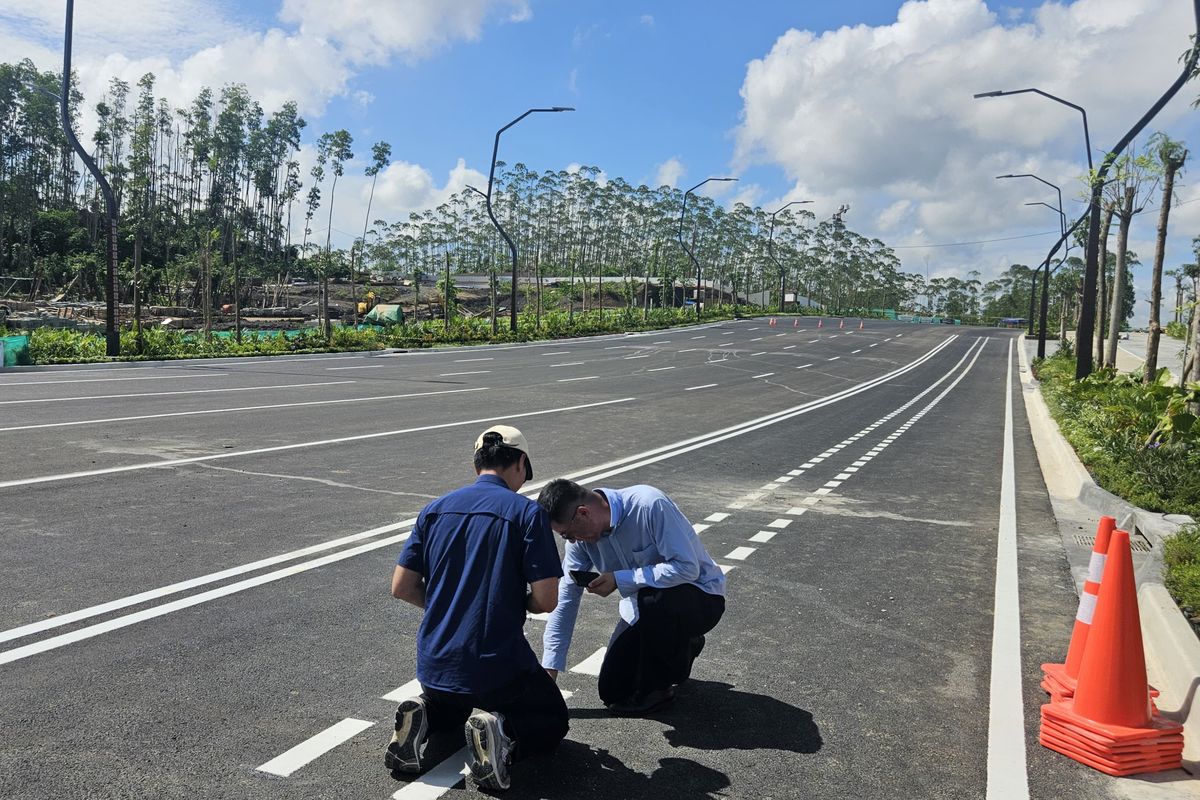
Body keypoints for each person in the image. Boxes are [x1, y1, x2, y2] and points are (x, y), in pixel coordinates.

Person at [386, 425, 567, 791]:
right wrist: (516, 604)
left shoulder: (434, 510)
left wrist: (444, 605)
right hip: (496, 663)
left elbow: (401, 587)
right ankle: (503, 734)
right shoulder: (526, 514)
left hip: (435, 663)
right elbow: (547, 600)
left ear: (476, 464)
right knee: (551, 718)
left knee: (452, 707)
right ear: (520, 462)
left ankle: (424, 713)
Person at [537, 479, 726, 715]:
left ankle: (660, 689)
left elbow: (687, 568)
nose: (571, 541)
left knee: (654, 600)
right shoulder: (581, 539)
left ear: (583, 513)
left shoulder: (648, 505)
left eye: (567, 534)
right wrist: (549, 671)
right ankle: (685, 644)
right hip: (643, 610)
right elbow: (566, 598)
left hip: (700, 597)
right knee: (613, 692)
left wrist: (620, 579)